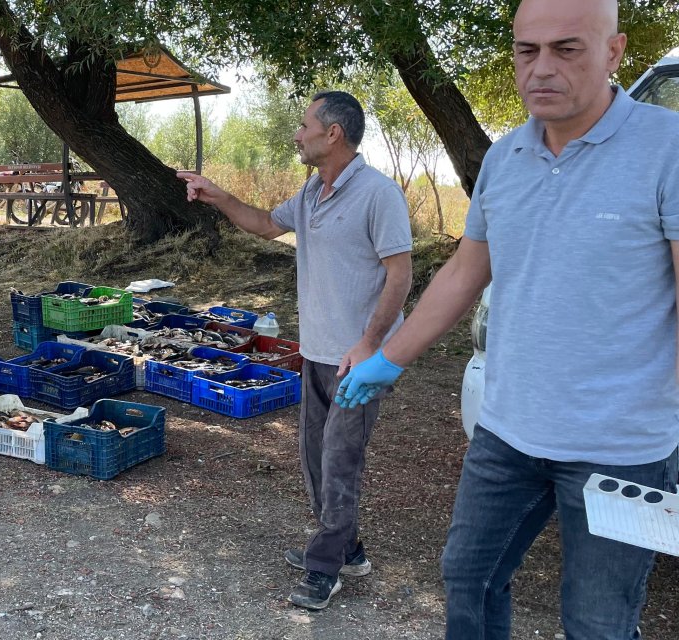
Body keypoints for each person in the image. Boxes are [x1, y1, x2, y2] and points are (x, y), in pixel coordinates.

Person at [336, 0, 679, 636]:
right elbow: (466, 272)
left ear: (614, 52)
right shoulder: (505, 157)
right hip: (508, 432)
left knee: (598, 622)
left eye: (566, 49)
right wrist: (391, 357)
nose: (540, 69)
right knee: (468, 578)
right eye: (527, 50)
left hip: (623, 452)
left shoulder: (668, 147)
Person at [177, 90, 413, 610]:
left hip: (360, 361)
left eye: (305, 125)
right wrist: (216, 195)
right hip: (316, 352)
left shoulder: (378, 194)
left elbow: (401, 275)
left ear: (333, 133)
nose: (297, 134)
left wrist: (370, 344)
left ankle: (324, 567)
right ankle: (347, 547)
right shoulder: (310, 193)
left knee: (340, 460)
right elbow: (264, 225)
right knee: (313, 459)